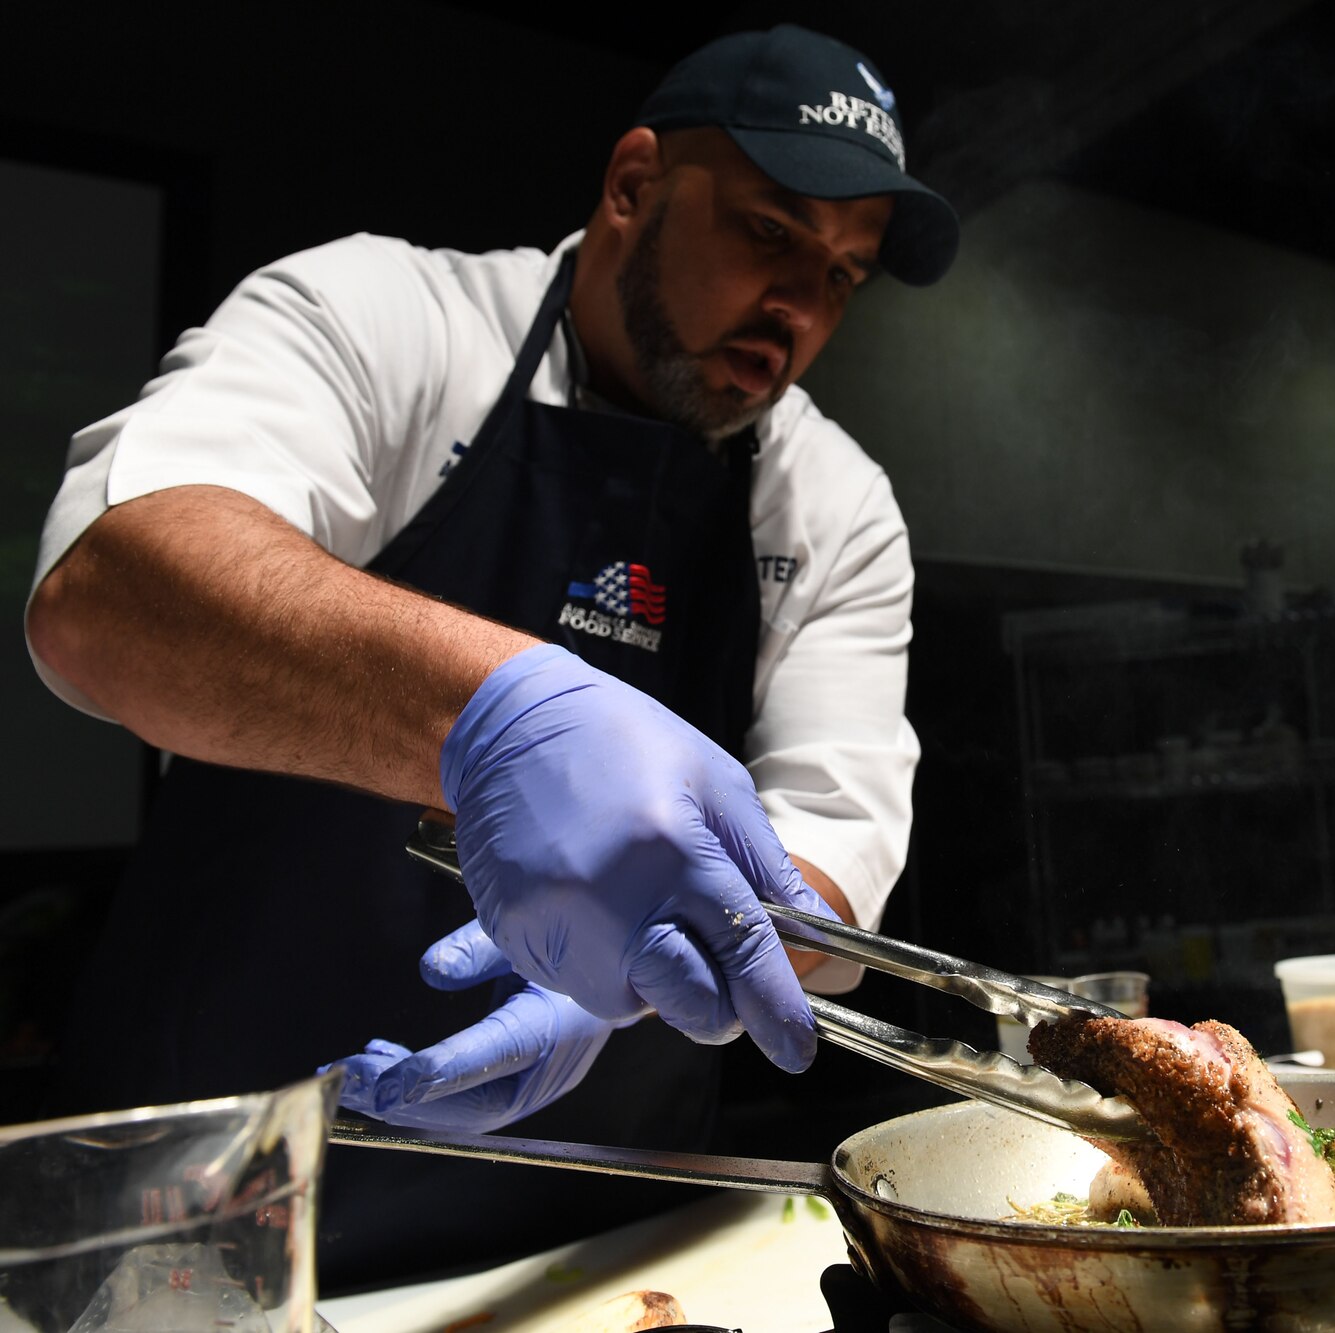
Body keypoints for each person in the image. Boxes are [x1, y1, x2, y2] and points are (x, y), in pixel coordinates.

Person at [22, 25, 956, 1288]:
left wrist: (655, 956)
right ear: (632, 184)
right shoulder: (387, 316)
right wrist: (499, 715)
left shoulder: (831, 503)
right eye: (768, 234)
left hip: (601, 1249)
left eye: (842, 276)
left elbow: (833, 846)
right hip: (213, 1209)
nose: (796, 308)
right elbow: (114, 590)